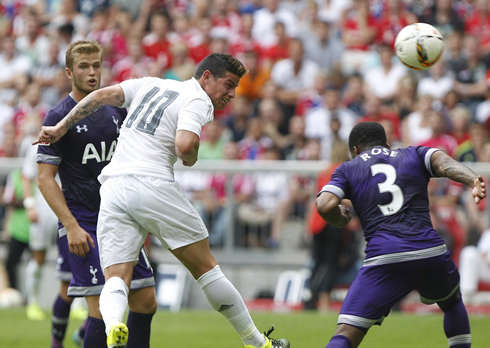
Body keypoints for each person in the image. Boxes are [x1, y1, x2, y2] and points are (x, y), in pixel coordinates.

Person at [35, 53, 290, 348]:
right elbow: (185, 144)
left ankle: (115, 326)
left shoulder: (150, 84)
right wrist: (191, 157)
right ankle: (258, 342)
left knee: (116, 276)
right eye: (229, 84)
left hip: (114, 186)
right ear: (206, 77)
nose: (231, 94)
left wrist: (59, 128)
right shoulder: (197, 98)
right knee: (206, 267)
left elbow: (102, 95)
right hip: (151, 183)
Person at [315, 122, 486, 348]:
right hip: (429, 251)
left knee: (347, 332)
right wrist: (472, 180)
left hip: (385, 258)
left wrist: (341, 218)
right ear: (387, 144)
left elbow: (324, 205)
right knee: (452, 302)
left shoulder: (348, 168)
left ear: (355, 150)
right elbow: (444, 163)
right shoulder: (414, 153)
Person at [35, 40, 157, 348]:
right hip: (84, 224)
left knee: (145, 301)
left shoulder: (115, 109)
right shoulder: (57, 116)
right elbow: (45, 178)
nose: (92, 73)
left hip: (120, 220)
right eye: (84, 67)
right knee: (101, 312)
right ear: (68, 73)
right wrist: (71, 226)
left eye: (97, 65)